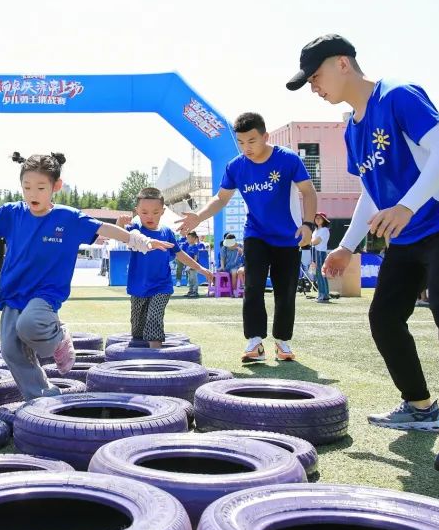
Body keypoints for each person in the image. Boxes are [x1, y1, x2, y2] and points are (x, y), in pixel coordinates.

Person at [290, 34, 439, 484]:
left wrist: (407, 206)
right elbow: (371, 192)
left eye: (316, 76)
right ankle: (421, 407)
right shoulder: (352, 128)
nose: (314, 86)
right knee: (384, 317)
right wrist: (347, 246)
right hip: (407, 236)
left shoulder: (399, 94)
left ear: (343, 63)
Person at [0, 151, 172, 400]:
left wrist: (142, 241)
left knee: (30, 325)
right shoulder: (12, 213)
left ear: (56, 186)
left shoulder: (68, 218)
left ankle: (59, 337)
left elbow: (104, 228)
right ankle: (42, 396)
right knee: (11, 350)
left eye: (40, 187)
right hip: (14, 292)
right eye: (27, 187)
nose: (33, 194)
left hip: (46, 293)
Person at [179, 112, 318, 364]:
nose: (247, 148)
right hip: (256, 234)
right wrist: (198, 217)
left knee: (285, 290)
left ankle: (282, 341)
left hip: (289, 236)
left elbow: (308, 192)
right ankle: (254, 341)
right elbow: (221, 198)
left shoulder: (287, 159)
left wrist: (308, 225)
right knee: (252, 285)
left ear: (265, 136)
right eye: (241, 143)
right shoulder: (236, 167)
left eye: (252, 141)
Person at [117, 188, 212, 348]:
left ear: (162, 211)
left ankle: (157, 358)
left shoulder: (167, 232)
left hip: (162, 286)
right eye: (145, 212)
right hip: (138, 287)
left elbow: (180, 254)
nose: (150, 216)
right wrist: (120, 223)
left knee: (154, 318)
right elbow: (119, 235)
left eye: (155, 212)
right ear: (137, 211)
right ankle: (141, 359)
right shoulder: (134, 230)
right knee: (138, 330)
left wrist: (201, 269)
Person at [310, 212, 332, 303]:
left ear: (324, 220)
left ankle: (325, 295)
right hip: (315, 252)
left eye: (320, 218)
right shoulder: (315, 231)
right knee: (318, 274)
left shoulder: (324, 230)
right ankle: (321, 294)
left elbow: (315, 242)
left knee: (321, 274)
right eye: (316, 218)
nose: (317, 219)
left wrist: (310, 241)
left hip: (321, 253)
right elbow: (312, 242)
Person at [181, 231, 207, 297]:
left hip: (193, 266)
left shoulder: (195, 247)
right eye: (187, 238)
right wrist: (187, 265)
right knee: (190, 279)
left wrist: (193, 265)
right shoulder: (188, 247)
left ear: (193, 239)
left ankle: (195, 292)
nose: (187, 239)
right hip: (188, 266)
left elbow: (195, 257)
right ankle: (190, 291)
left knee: (194, 279)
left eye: (189, 238)